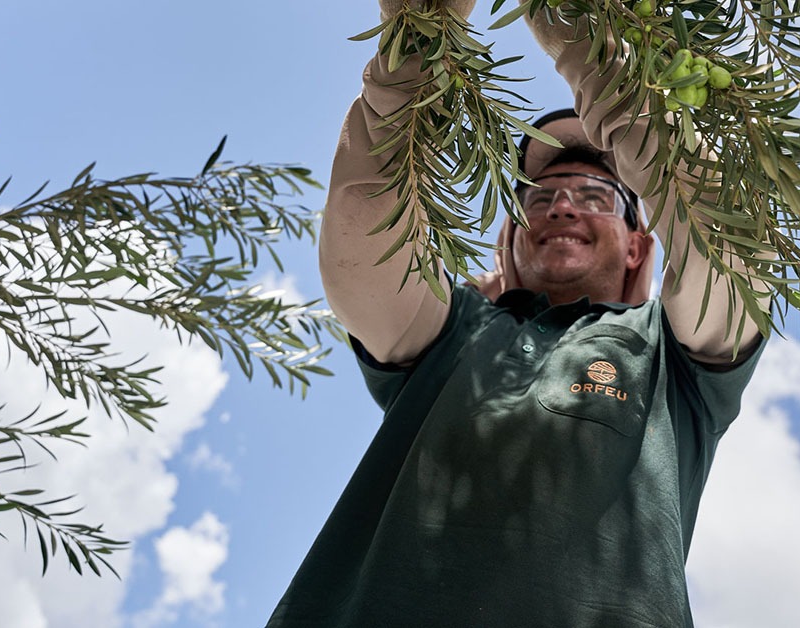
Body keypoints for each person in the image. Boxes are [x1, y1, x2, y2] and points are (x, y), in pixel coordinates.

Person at [268, 1, 766, 626]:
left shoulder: (676, 359)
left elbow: (720, 231)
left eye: (595, 196)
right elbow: (364, 231)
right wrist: (420, 38)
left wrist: (570, 21)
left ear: (639, 242)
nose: (561, 208)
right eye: (539, 197)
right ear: (509, 237)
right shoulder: (452, 336)